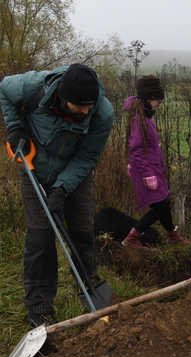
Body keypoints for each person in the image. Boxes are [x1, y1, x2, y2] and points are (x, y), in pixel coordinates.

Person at [0, 63, 114, 327]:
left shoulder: (102, 113)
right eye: (79, 106)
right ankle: (39, 309)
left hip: (76, 171)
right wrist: (16, 128)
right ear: (62, 98)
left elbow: (88, 156)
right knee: (40, 241)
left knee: (83, 233)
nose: (86, 111)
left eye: (90, 105)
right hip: (34, 169)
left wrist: (62, 189)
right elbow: (4, 89)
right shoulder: (32, 87)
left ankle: (88, 291)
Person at [121, 75, 191, 247]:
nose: (160, 103)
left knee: (164, 201)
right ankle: (132, 239)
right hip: (149, 171)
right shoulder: (140, 120)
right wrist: (147, 174)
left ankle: (173, 236)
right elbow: (136, 149)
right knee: (159, 207)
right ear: (149, 98)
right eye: (158, 99)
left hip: (154, 169)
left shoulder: (144, 118)